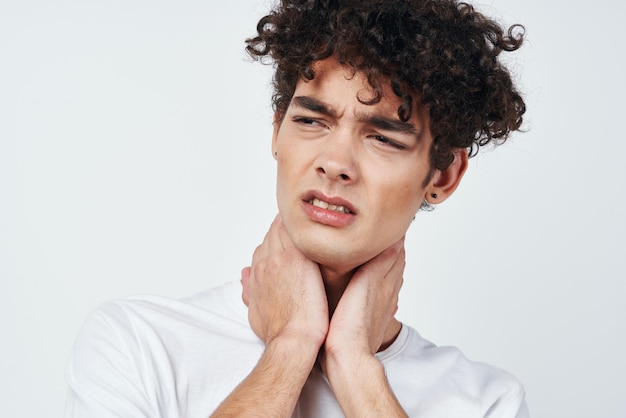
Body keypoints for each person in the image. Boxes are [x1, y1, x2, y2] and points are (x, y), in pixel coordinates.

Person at [65, 0, 528, 416]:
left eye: (382, 137)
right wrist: (289, 348)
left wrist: (356, 370)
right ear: (276, 133)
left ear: (442, 177)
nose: (334, 164)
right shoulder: (138, 344)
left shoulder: (485, 400)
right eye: (311, 120)